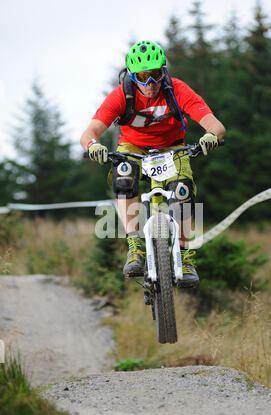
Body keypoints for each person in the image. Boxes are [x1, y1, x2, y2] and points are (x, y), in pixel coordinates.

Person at [80, 40, 226, 287]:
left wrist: (211, 136)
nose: (150, 84)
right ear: (132, 76)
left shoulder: (177, 89)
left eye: (156, 75)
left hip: (172, 148)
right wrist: (94, 146)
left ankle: (186, 256)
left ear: (164, 72)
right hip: (133, 148)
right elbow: (90, 132)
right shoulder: (121, 95)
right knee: (123, 178)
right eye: (143, 77)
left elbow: (216, 125)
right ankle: (135, 246)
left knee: (182, 190)